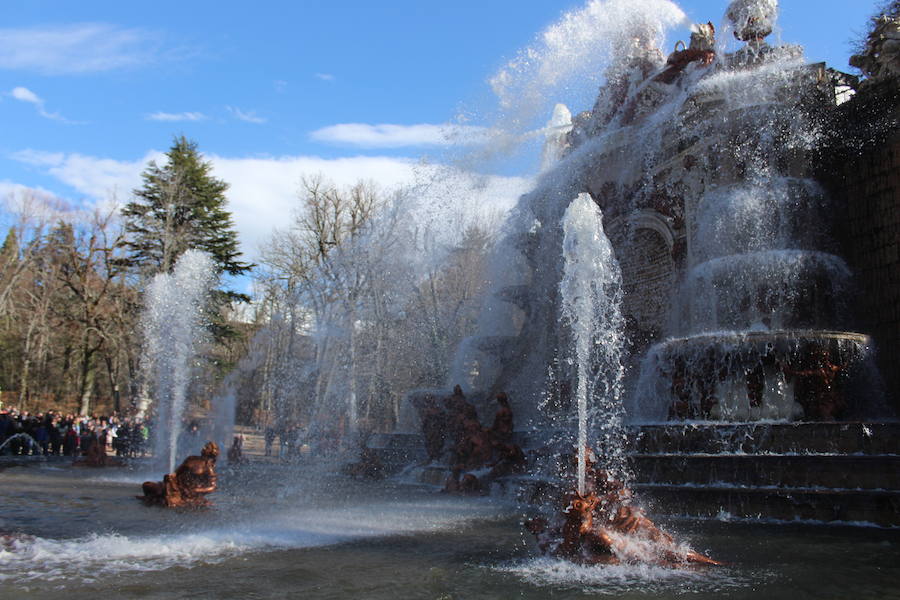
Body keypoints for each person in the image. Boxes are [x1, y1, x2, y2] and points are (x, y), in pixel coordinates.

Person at [140, 442, 219, 508]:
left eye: (207, 448)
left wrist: (195, 491)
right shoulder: (191, 458)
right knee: (147, 485)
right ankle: (158, 497)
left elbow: (213, 487)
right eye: (205, 446)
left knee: (168, 499)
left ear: (212, 452)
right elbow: (177, 471)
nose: (203, 448)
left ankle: (166, 498)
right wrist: (171, 476)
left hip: (189, 492)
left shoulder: (208, 467)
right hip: (176, 486)